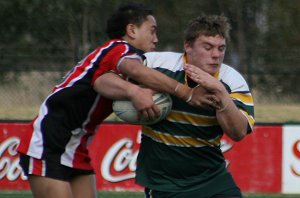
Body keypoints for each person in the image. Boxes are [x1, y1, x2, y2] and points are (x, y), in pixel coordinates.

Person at [17, 3, 209, 198]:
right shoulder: (118, 48)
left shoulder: (128, 58)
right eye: (152, 31)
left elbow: (104, 81)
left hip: (75, 146)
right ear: (131, 30)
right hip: (49, 140)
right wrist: (186, 93)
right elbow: (133, 71)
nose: (156, 39)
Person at [97, 14, 255, 197]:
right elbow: (102, 80)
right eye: (208, 47)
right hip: (164, 182)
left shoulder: (231, 80)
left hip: (213, 178)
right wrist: (134, 91)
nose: (216, 55)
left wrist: (221, 94)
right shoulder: (155, 63)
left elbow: (238, 133)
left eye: (221, 48)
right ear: (187, 46)